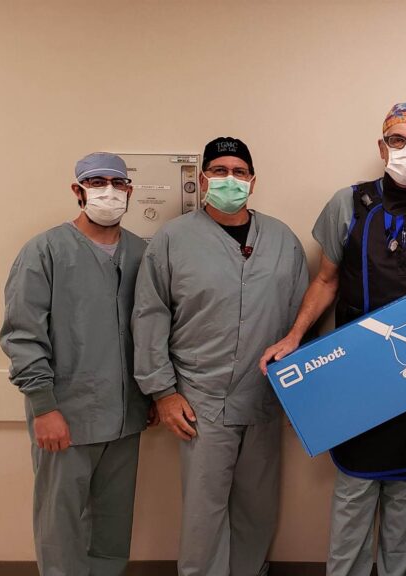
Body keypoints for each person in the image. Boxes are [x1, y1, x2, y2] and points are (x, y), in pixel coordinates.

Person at [259, 103, 406, 576]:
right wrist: (295, 336)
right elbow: (326, 280)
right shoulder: (348, 203)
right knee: (353, 507)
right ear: (381, 147)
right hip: (359, 377)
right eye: (396, 141)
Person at [132, 137, 309, 576]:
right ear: (202, 179)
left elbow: (299, 320)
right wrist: (163, 393)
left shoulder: (283, 241)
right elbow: (149, 317)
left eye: (240, 172)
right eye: (220, 171)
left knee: (257, 509)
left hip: (266, 398)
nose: (230, 179)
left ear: (253, 181)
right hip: (199, 402)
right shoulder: (172, 240)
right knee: (203, 514)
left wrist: (303, 389)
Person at [0, 152, 155, 576]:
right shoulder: (44, 251)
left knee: (112, 525)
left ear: (129, 191)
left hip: (126, 416)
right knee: (61, 524)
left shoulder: (143, 253)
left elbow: (154, 331)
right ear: (78, 190)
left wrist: (154, 394)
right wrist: (44, 407)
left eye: (117, 183)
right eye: (97, 181)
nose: (108, 190)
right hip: (64, 416)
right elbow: (22, 335)